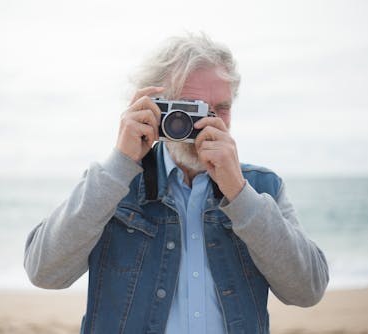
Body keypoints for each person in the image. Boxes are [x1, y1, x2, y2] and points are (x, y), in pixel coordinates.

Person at [24, 33, 329, 334]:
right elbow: (45, 272)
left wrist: (239, 194)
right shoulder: (114, 186)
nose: (206, 123)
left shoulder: (261, 186)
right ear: (155, 107)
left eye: (220, 108)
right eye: (190, 107)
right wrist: (121, 162)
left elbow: (307, 290)